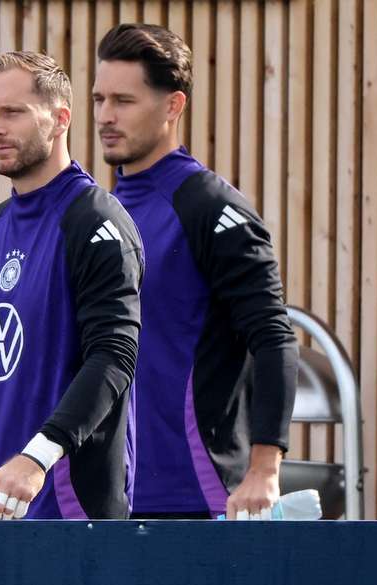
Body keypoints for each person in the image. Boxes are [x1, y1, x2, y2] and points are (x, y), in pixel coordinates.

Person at [93, 24, 299, 520]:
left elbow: (274, 337)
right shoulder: (99, 211)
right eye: (99, 99)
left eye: (124, 100)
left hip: (195, 497)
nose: (105, 116)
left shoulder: (209, 206)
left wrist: (264, 470)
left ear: (173, 106)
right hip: (108, 499)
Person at [0, 51, 144, 520]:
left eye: (13, 112)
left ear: (60, 118)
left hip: (65, 507)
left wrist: (37, 457)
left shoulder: (96, 221)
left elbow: (115, 355)